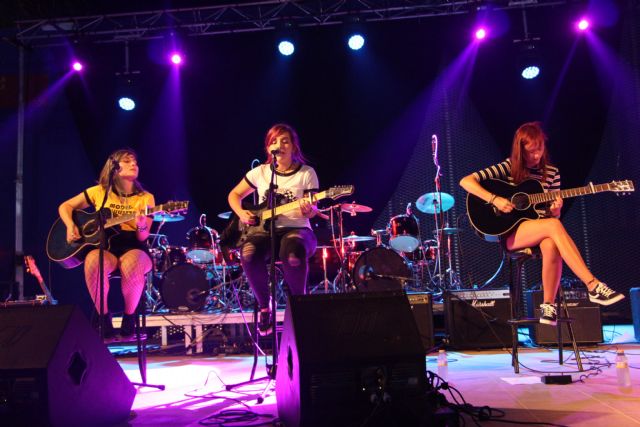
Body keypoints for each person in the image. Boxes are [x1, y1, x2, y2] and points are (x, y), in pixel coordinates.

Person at [460, 121, 624, 325]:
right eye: (530, 153)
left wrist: (556, 210)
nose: (536, 156)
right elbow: (466, 181)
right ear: (520, 152)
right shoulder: (507, 167)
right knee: (553, 228)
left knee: (551, 241)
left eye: (539, 150)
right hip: (512, 234)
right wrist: (495, 199)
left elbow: (551, 218)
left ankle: (548, 306)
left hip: (540, 229)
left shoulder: (552, 173)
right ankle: (593, 285)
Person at [228, 123, 319, 335]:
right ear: (269, 148)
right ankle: (265, 306)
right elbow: (233, 195)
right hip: (265, 231)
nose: (280, 145)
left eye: (285, 140)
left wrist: (309, 210)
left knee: (293, 255)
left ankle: (299, 306)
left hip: (298, 230)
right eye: (274, 141)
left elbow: (313, 208)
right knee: (248, 254)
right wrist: (242, 213)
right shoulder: (260, 172)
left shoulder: (307, 173)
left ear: (294, 147)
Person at [59, 148, 154, 341]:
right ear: (115, 168)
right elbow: (65, 206)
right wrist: (70, 226)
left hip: (134, 245)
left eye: (135, 161)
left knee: (131, 264)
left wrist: (142, 225)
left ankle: (129, 318)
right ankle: (103, 318)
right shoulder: (99, 192)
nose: (134, 164)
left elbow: (143, 238)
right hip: (105, 245)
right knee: (93, 261)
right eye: (128, 161)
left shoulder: (145, 197)